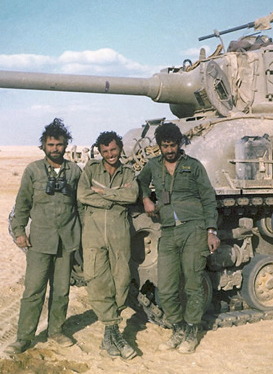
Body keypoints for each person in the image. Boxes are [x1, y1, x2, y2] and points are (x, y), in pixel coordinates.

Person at [137, 122, 220, 354]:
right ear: (160, 146)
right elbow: (141, 181)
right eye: (165, 145)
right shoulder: (153, 165)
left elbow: (208, 197)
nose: (169, 150)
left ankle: (192, 330)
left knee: (193, 284)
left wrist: (211, 231)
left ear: (179, 144)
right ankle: (178, 328)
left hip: (193, 228)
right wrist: (145, 198)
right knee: (165, 287)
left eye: (173, 145)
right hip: (169, 230)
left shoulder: (193, 167)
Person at [5, 118, 82, 354]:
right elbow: (22, 203)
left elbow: (82, 206)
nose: (55, 149)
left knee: (61, 291)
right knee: (33, 291)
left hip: (67, 240)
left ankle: (56, 331)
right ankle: (24, 338)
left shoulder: (75, 171)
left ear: (66, 145)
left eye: (59, 144)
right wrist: (19, 231)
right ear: (43, 146)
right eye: (51, 145)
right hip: (39, 240)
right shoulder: (33, 171)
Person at [77, 131, 139, 360]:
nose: (110, 155)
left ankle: (109, 335)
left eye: (113, 150)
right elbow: (83, 195)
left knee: (121, 280)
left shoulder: (129, 172)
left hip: (118, 234)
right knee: (97, 282)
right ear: (99, 152)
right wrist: (115, 196)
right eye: (105, 151)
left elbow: (131, 195)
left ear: (120, 148)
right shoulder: (91, 170)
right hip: (93, 235)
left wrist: (104, 192)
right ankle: (113, 332)